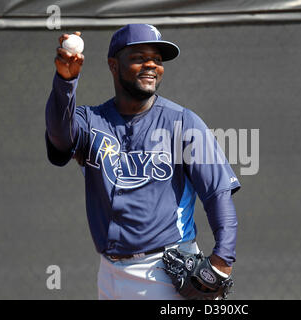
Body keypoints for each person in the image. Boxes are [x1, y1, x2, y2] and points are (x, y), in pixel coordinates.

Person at [45, 24, 240, 299]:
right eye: (139, 57)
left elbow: (217, 194)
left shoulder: (183, 122)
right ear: (114, 65)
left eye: (157, 60)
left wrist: (222, 261)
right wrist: (65, 82)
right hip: (109, 272)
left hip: (165, 270)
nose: (151, 65)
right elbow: (60, 137)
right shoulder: (91, 121)